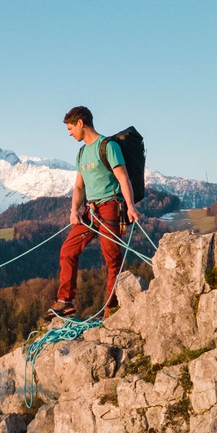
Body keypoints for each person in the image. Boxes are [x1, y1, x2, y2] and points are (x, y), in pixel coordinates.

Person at [50, 106, 140, 319]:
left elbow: (123, 178)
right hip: (90, 210)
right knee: (68, 250)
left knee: (112, 258)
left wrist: (131, 207)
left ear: (81, 122)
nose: (69, 133)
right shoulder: (81, 153)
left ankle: (111, 308)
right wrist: (74, 210)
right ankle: (65, 301)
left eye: (71, 128)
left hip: (111, 207)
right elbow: (79, 186)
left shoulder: (108, 146)